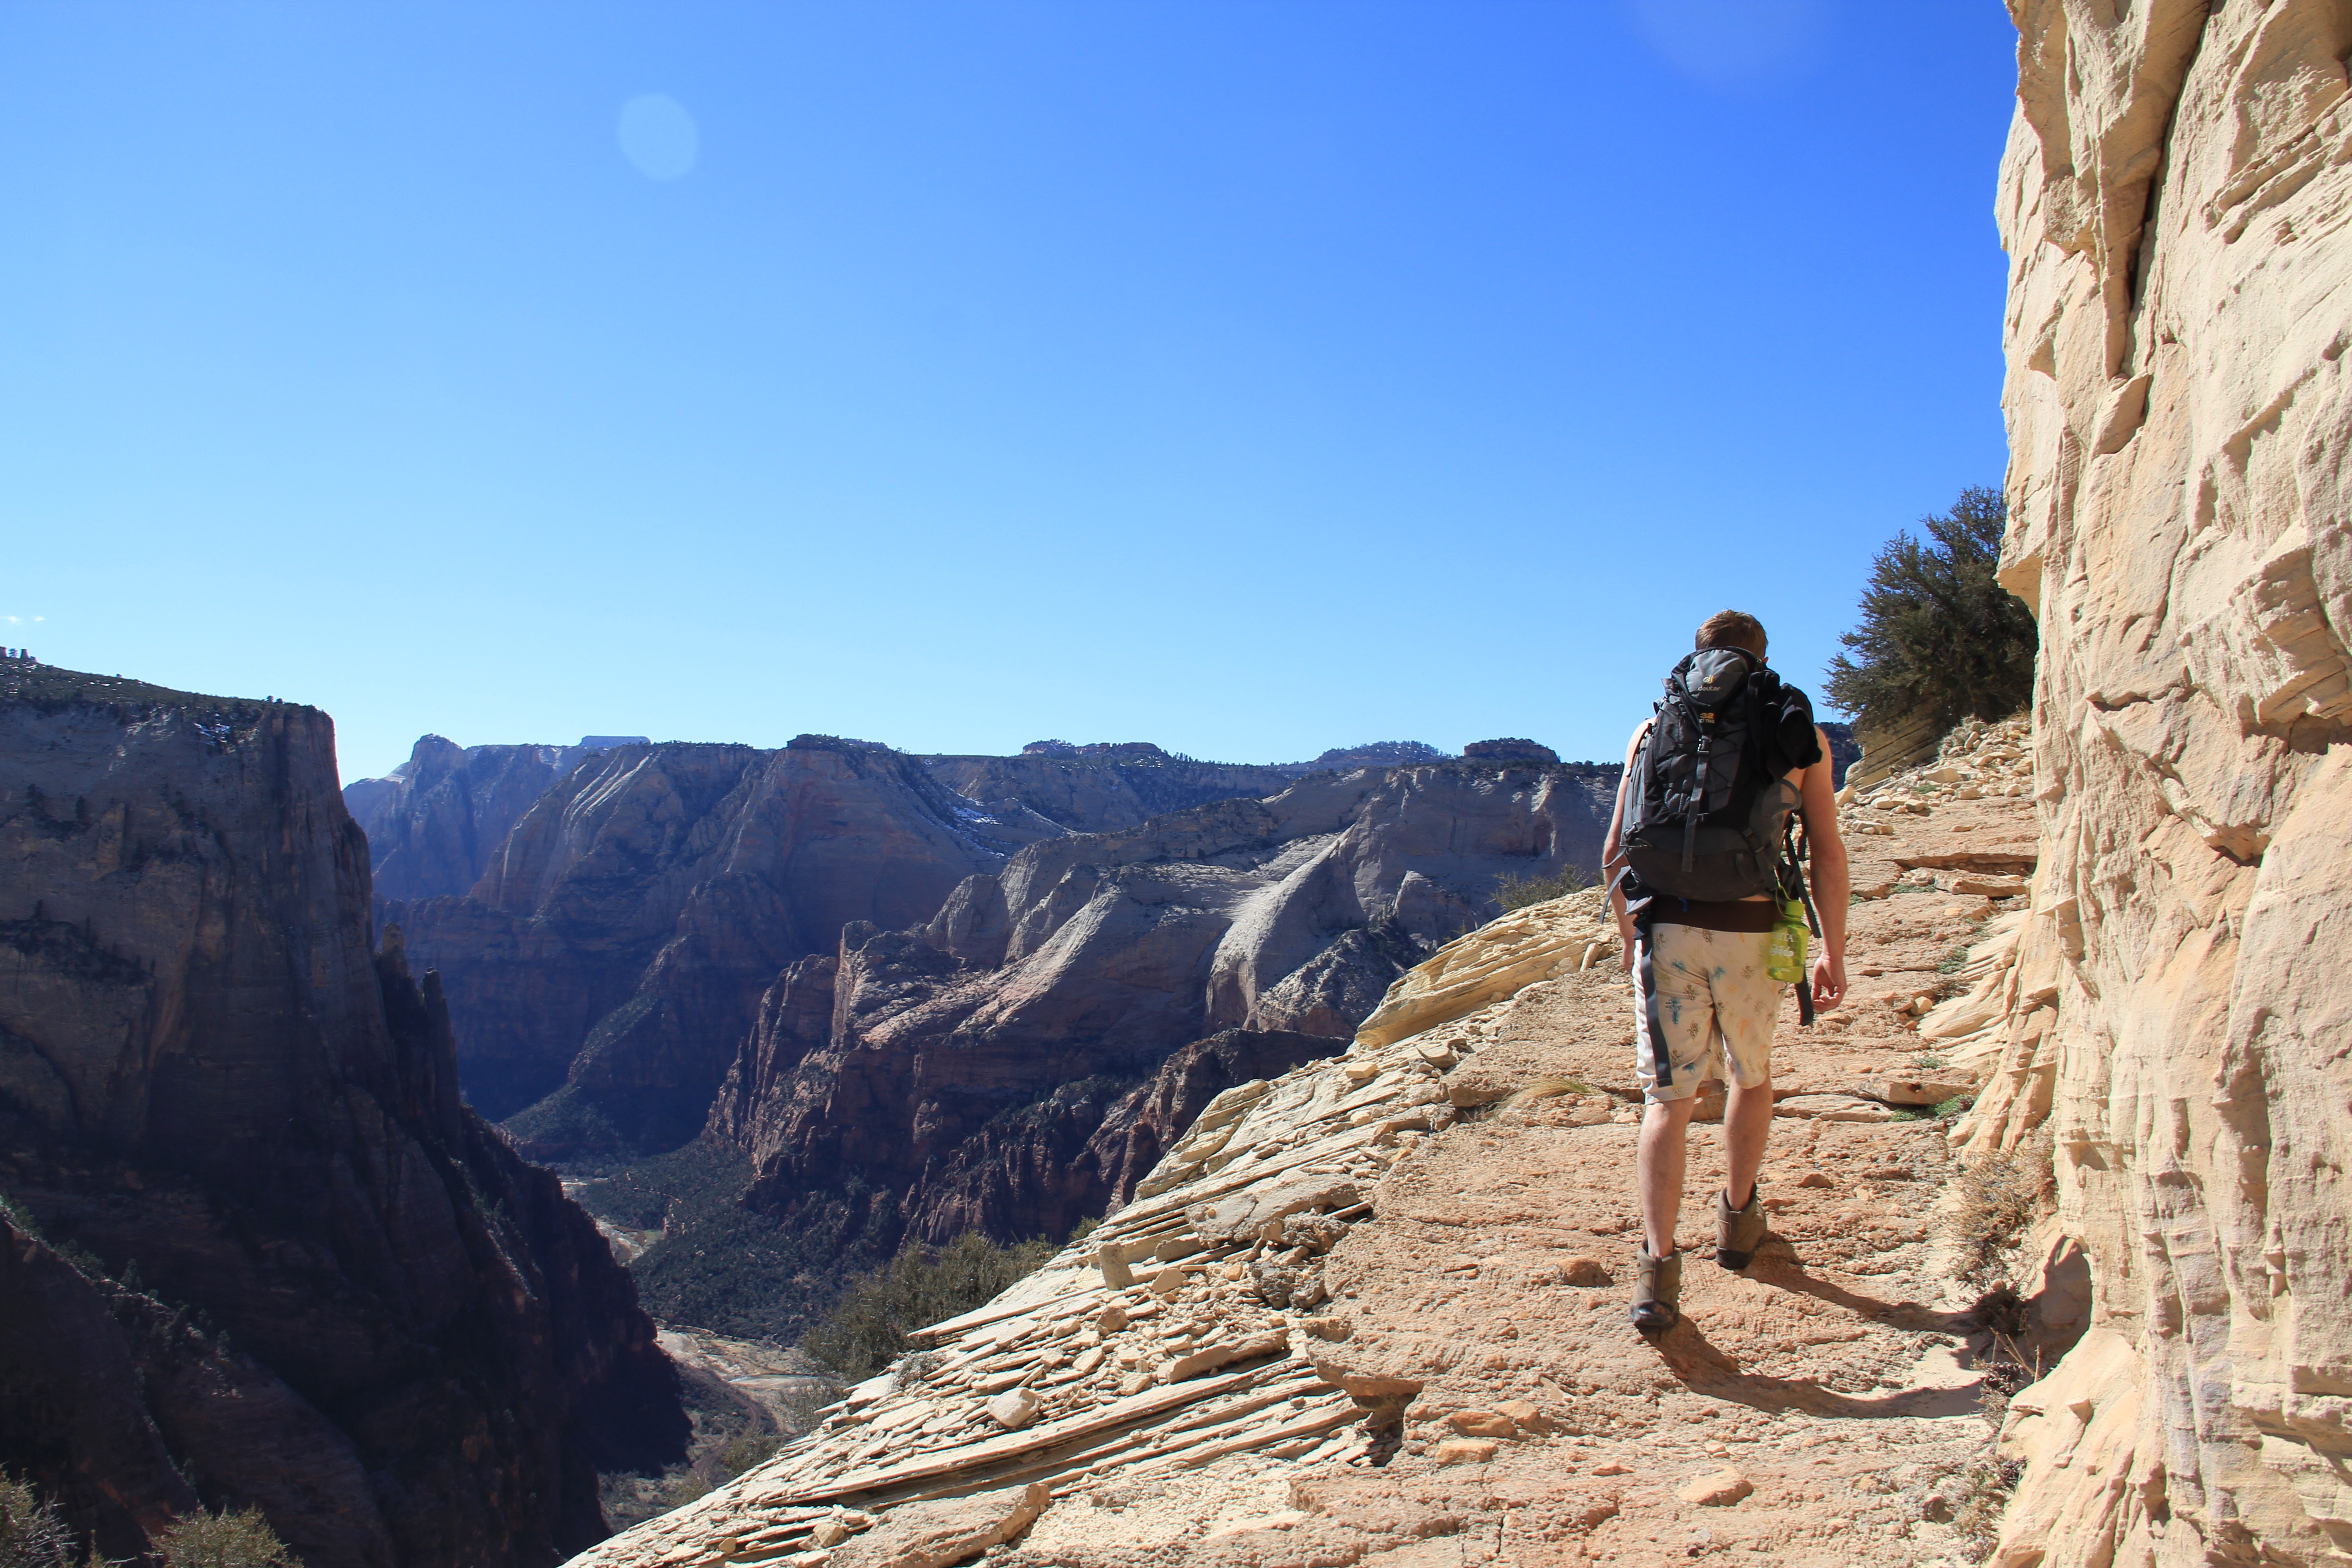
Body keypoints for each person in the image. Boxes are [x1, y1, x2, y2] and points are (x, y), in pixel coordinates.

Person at [1599, 610, 1849, 1333]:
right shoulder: (1798, 727)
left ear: (1697, 652)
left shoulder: (1651, 731)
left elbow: (1617, 850)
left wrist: (1629, 940)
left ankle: (1656, 1273)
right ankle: (1739, 1223)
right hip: (1753, 929)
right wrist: (1834, 948)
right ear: (1762, 657)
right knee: (1751, 1075)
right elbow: (1826, 850)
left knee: (1667, 1101)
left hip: (1668, 929)